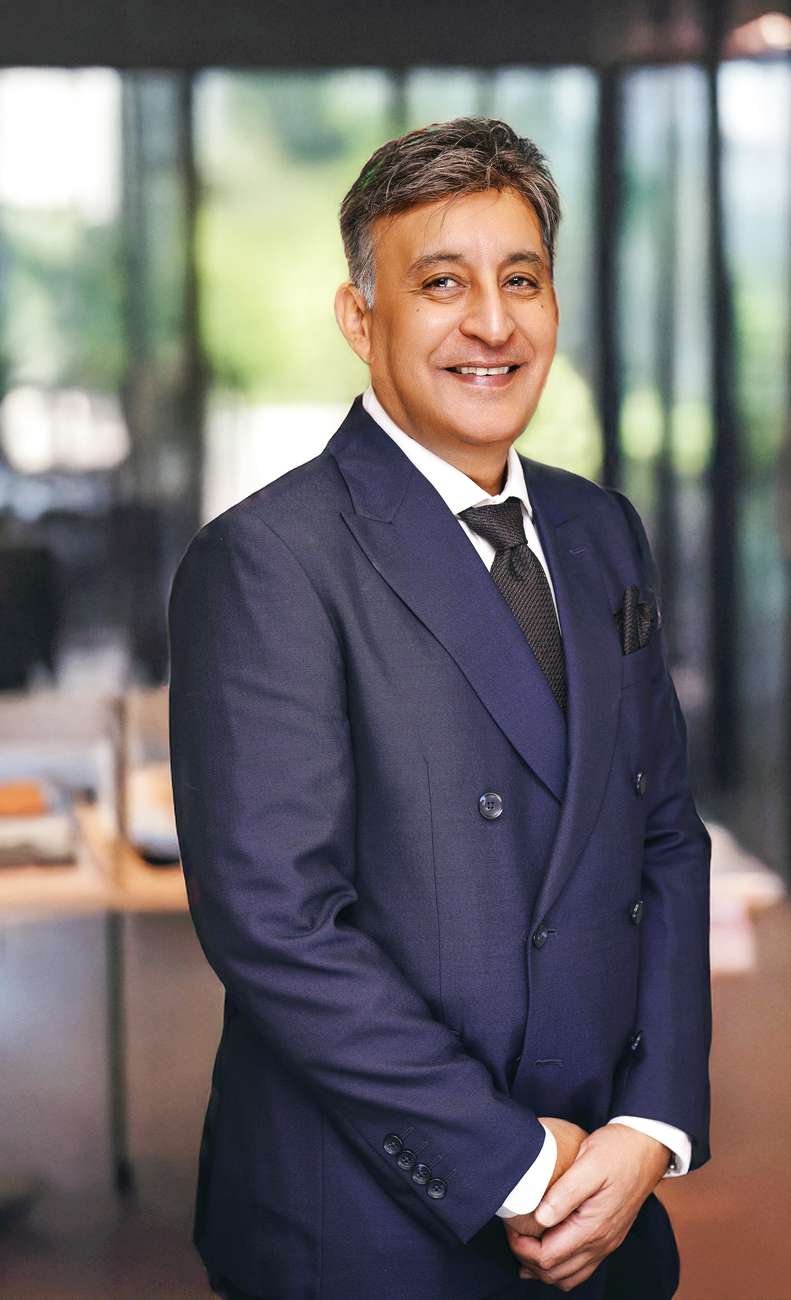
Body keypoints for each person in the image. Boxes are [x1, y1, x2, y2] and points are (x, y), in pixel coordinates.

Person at [169, 118, 711, 1300]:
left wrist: (650, 1121)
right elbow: (276, 921)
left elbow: (663, 834)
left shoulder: (601, 529)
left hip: (605, 1193)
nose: (492, 324)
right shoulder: (268, 558)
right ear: (359, 316)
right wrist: (516, 1164)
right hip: (367, 1228)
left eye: (520, 279)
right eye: (441, 283)